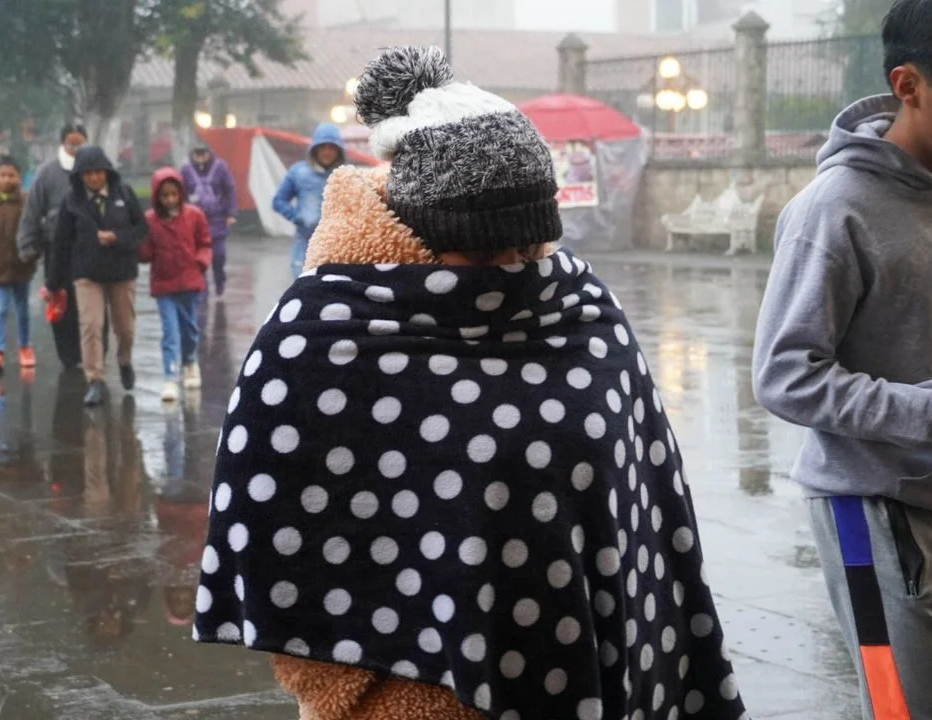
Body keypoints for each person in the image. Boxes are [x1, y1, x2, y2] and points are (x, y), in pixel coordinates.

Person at [194, 46, 746, 720]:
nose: (513, 268)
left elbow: (636, 502)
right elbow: (275, 507)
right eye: (486, 251)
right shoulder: (324, 333)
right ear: (422, 226)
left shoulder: (578, 309)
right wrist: (354, 692)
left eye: (530, 246)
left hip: (568, 654)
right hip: (405, 693)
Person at [751, 2, 932, 718]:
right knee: (909, 712)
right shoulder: (833, 211)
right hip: (872, 511)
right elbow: (785, 376)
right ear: (909, 85)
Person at [46, 146, 146, 407]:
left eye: (98, 172)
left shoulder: (124, 194)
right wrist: (53, 284)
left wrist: (118, 237)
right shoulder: (71, 202)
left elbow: (142, 229)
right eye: (88, 173)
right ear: (80, 176)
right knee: (90, 325)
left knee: (125, 327)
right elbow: (61, 244)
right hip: (86, 273)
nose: (94, 178)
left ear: (107, 172)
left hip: (121, 271)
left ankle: (124, 361)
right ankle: (95, 380)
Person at [18, 124, 89, 370]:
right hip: (56, 248)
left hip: (90, 248)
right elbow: (33, 210)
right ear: (63, 143)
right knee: (60, 300)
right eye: (71, 143)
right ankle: (68, 357)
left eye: (80, 143)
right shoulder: (47, 172)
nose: (76, 148)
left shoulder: (94, 171)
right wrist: (27, 244)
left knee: (89, 301)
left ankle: (91, 352)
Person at [140, 166, 212, 402]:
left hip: (190, 282)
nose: (170, 199)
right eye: (165, 195)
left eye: (174, 194)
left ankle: (190, 363)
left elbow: (204, 242)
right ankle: (170, 376)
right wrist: (136, 241)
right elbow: (145, 253)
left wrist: (200, 263)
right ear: (157, 197)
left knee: (189, 329)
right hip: (164, 286)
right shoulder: (150, 221)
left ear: (181, 193)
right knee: (170, 332)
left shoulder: (194, 215)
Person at [0, 155, 37, 373]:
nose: (7, 179)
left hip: (22, 267)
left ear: (19, 177)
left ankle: (25, 346)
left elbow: (35, 229)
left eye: (12, 175)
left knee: (23, 309)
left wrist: (33, 253)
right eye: (2, 175)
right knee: (0, 309)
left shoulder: (27, 202)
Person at [272, 122, 344, 279]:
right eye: (322, 147)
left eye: (331, 148)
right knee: (305, 291)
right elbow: (278, 201)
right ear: (314, 149)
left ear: (338, 151)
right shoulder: (298, 172)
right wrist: (297, 217)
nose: (327, 152)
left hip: (337, 247)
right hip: (305, 246)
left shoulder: (345, 174)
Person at [180, 144, 237, 296]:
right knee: (198, 258)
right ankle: (202, 289)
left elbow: (229, 190)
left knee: (218, 255)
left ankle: (220, 281)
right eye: (196, 154)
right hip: (195, 222)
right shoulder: (186, 170)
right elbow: (182, 193)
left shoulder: (220, 167)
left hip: (217, 219)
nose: (200, 157)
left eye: (202, 153)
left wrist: (230, 213)